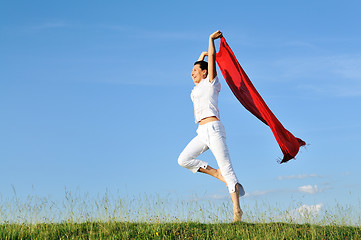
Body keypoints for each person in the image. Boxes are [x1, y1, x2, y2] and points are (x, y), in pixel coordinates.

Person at [178, 30, 245, 222]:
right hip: (201, 132)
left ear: (205, 73)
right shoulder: (197, 88)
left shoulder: (211, 83)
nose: (191, 73)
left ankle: (237, 211)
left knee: (228, 169)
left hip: (214, 128)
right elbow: (201, 64)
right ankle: (215, 173)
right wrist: (201, 58)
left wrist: (209, 42)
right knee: (183, 159)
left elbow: (211, 60)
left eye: (195, 71)